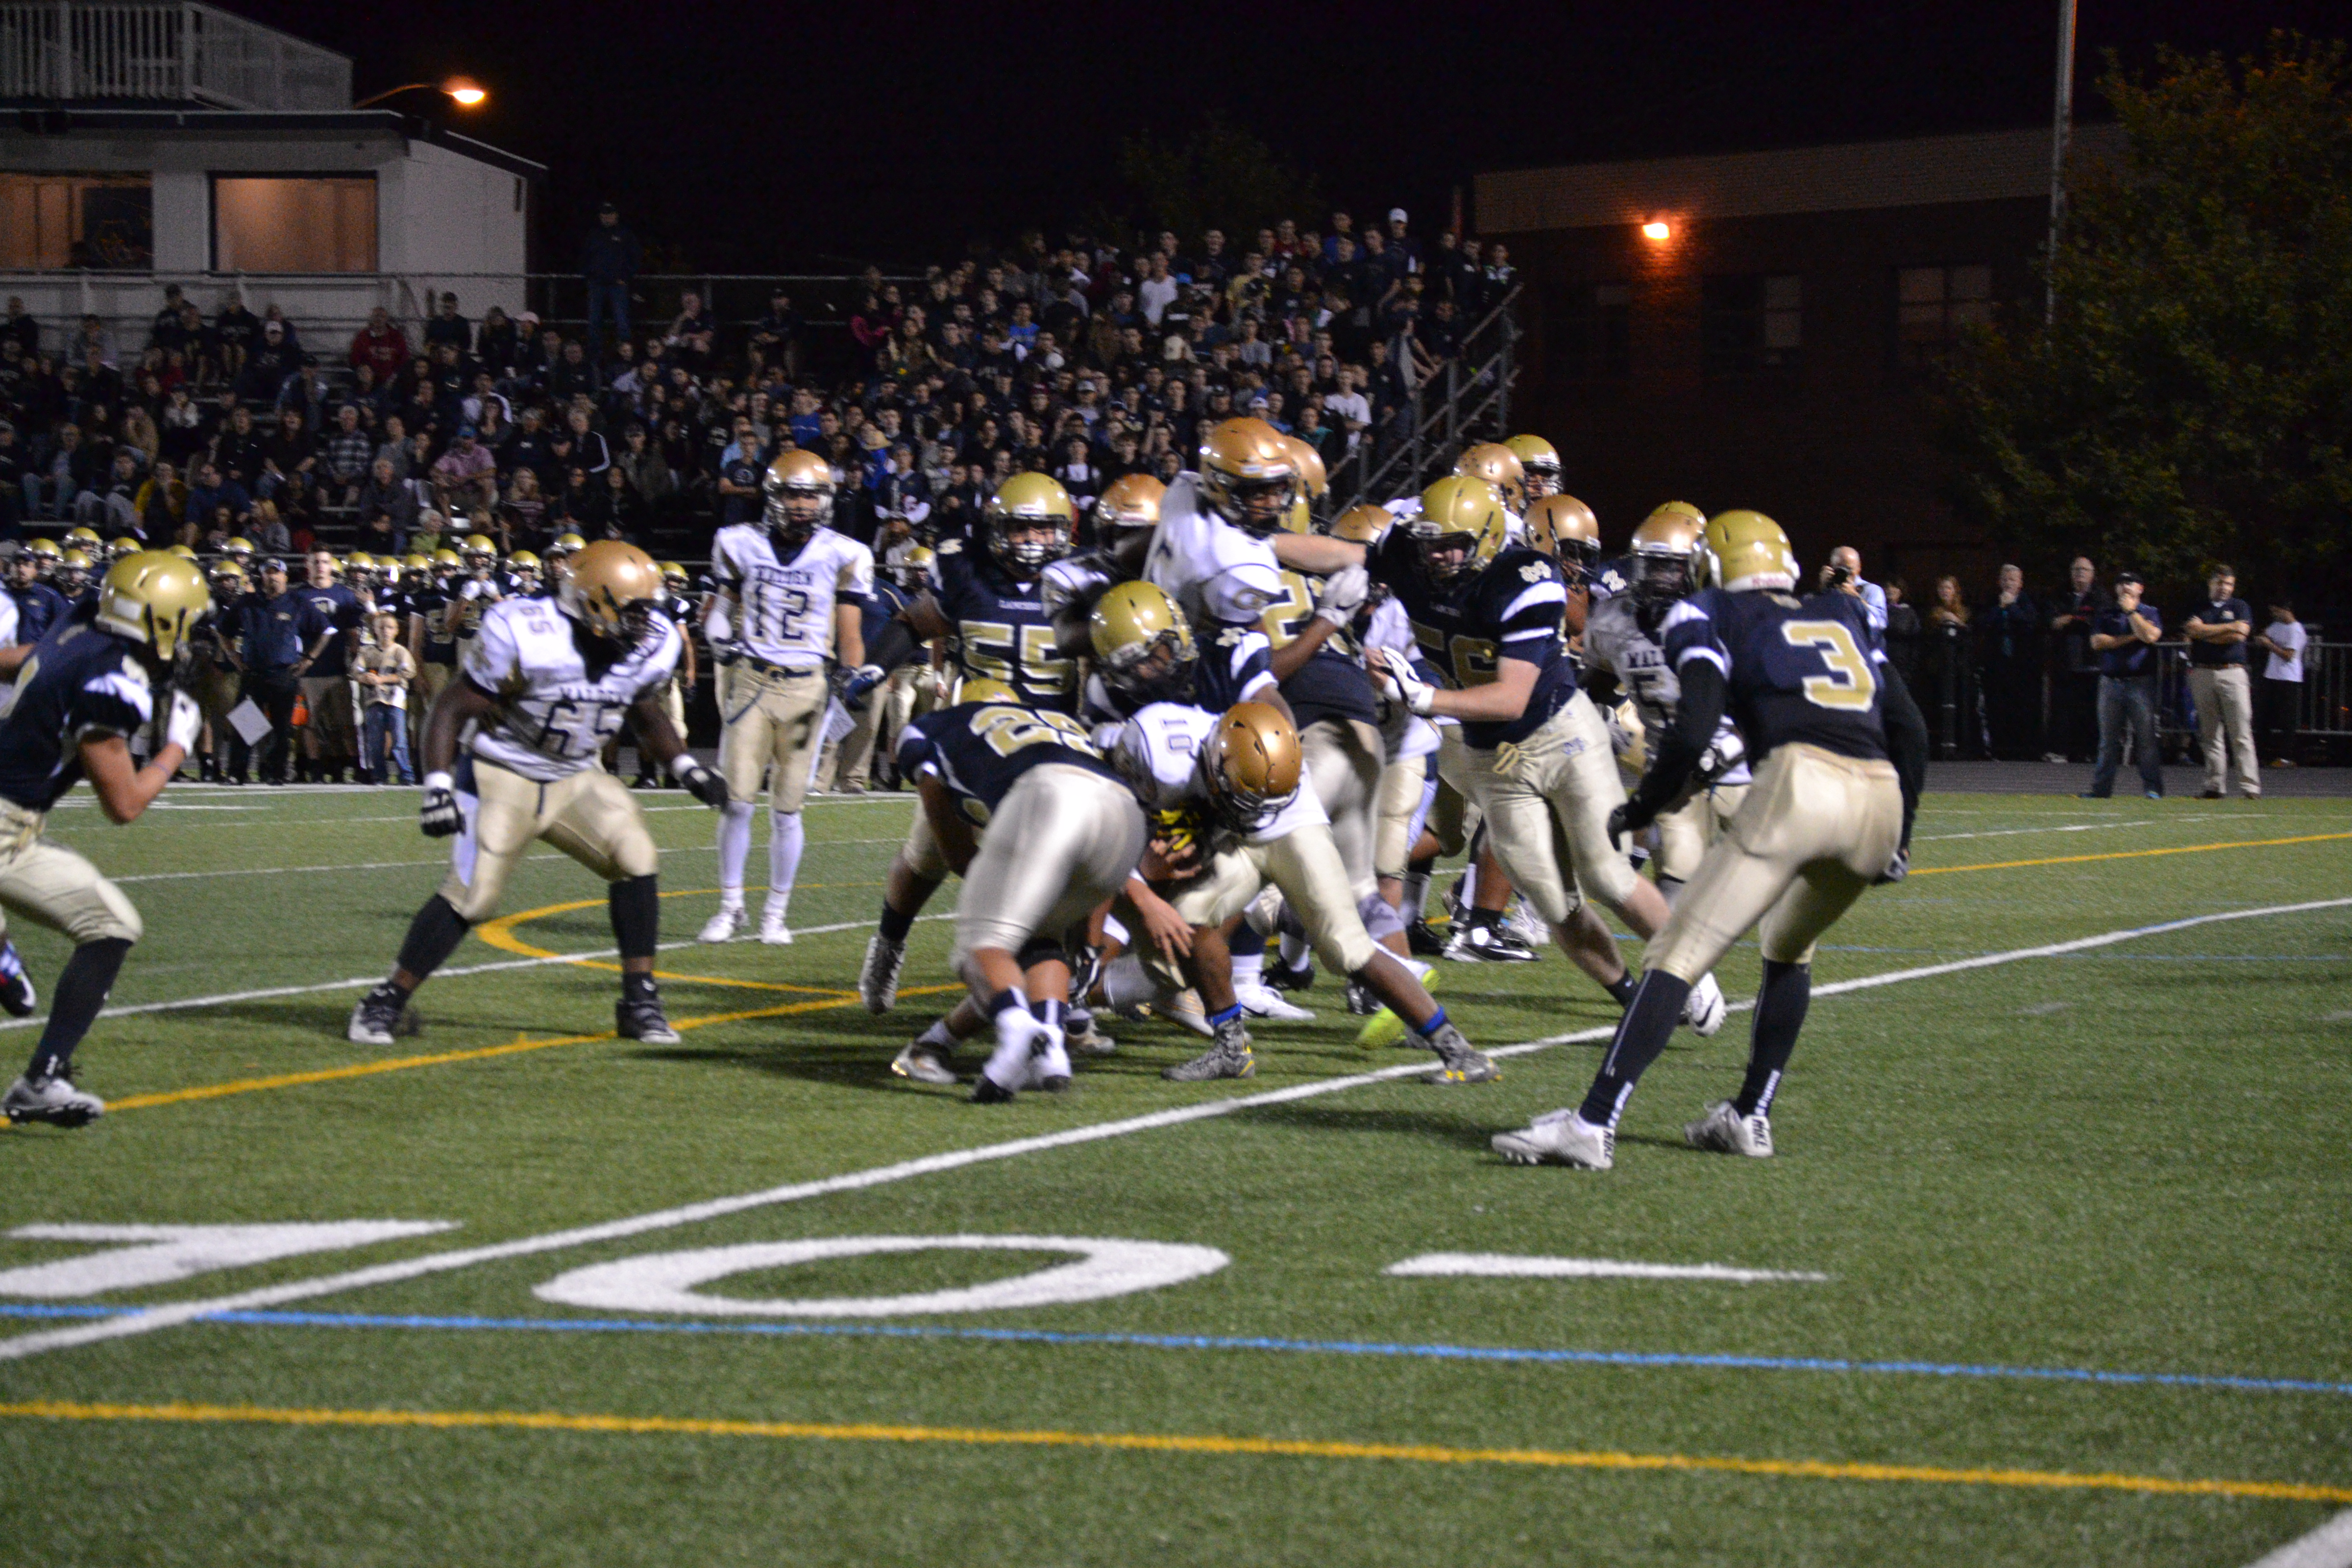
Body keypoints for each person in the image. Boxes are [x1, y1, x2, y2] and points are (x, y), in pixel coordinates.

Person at [1488, 511, 1926, 1170]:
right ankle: (1751, 1114)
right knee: (1789, 947)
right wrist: (1902, 838)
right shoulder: (1843, 611)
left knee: (1676, 951)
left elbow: (1695, 732)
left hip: (1786, 784)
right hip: (1879, 800)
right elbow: (1911, 729)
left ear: (1710, 566)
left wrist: (1643, 804)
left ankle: (1592, 1123)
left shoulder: (1707, 610)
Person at [347, 542, 727, 1050]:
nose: (645, 622)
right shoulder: (524, 630)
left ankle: (639, 1003)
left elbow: (643, 707)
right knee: (474, 895)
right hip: (502, 771)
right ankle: (385, 1000)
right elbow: (452, 706)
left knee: (636, 856)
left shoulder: (650, 642)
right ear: (593, 601)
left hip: (575, 773)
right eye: (632, 610)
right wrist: (437, 786)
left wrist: (685, 766)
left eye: (647, 609)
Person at [1, 553, 209, 1126]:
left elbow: (26, 660)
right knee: (112, 925)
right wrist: (177, 746)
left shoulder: (80, 620)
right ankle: (42, 1079)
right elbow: (124, 804)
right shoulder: (113, 680)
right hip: (4, 830)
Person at [890, 683, 1147, 1100]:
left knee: (983, 943)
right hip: (1124, 815)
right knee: (1046, 939)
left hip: (1050, 800)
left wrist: (994, 912)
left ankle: (1016, 1033)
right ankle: (1049, 1051)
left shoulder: (931, 730)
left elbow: (957, 855)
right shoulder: (1052, 722)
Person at [699, 450, 875, 945]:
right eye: (794, 494)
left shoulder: (845, 553)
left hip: (806, 687)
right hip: (751, 682)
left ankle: (775, 914)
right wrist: (718, 635)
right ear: (774, 497)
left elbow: (851, 632)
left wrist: (851, 677)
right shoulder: (738, 543)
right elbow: (720, 608)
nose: (802, 505)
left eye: (812, 495)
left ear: (826, 500)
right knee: (736, 802)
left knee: (787, 808)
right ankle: (731, 907)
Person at [2082, 570, 2164, 800]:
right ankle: (2101, 790)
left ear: (2141, 588)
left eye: (2131, 583)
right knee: (2107, 741)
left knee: (2146, 739)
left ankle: (2153, 789)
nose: (2126, 587)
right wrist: (2131, 637)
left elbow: (2150, 636)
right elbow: (2098, 642)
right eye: (2121, 583)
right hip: (2111, 683)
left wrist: (2130, 613)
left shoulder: (2150, 612)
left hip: (2141, 683)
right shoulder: (2106, 613)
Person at [2181, 566, 2259, 799]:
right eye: (2220, 583)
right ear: (2211, 583)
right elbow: (2191, 632)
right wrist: (2226, 629)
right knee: (2210, 733)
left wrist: (2205, 631)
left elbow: (2240, 634)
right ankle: (2214, 786)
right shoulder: (2197, 605)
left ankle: (2250, 787)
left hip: (2232, 673)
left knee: (2241, 731)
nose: (2224, 588)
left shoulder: (2240, 606)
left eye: (2229, 584)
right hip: (2203, 672)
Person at [227, 557, 305, 785]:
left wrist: (308, 660)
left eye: (277, 572)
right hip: (254, 673)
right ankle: (237, 772)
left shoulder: (295, 602)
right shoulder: (248, 602)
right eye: (268, 572)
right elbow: (223, 629)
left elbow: (325, 629)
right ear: (262, 576)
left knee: (281, 728)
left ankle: (276, 773)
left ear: (285, 576)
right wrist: (234, 657)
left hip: (283, 674)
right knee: (246, 725)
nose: (272, 576)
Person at [291, 550, 362, 782]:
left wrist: (354, 661)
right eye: (316, 562)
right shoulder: (298, 595)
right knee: (308, 724)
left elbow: (353, 634)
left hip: (337, 669)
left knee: (344, 724)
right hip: (307, 670)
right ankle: (315, 770)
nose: (321, 566)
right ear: (307, 564)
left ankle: (352, 768)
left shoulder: (344, 595)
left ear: (331, 565)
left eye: (324, 562)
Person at [1975, 564, 2041, 760]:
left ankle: (2021, 751)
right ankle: (1997, 749)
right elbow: (1982, 623)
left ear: (2020, 583)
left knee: (2021, 709)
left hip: (2021, 666)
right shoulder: (1991, 601)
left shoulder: (2027, 602)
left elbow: (2029, 624)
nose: (2008, 583)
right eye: (2005, 579)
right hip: (1996, 665)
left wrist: (2011, 606)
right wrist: (2000, 608)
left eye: (2012, 580)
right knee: (1996, 708)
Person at [2047, 556, 2102, 762]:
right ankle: (2061, 750)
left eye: (2084, 570)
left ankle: (2088, 751)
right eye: (2076, 569)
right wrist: (2075, 619)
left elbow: (2096, 622)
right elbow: (2052, 621)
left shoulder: (2099, 596)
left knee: (2089, 709)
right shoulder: (2061, 595)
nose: (2080, 573)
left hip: (2090, 661)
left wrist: (2070, 619)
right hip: (2065, 660)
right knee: (2063, 708)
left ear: (2092, 574)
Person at [354, 610, 416, 786]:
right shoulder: (367, 652)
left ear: (396, 630)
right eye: (381, 628)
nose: (385, 631)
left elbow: (408, 672)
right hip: (375, 700)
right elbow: (356, 671)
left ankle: (406, 774)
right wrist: (364, 677)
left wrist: (382, 679)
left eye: (390, 628)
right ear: (374, 630)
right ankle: (380, 775)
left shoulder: (400, 651)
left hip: (396, 701)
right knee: (376, 740)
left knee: (399, 740)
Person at [2251, 601, 2307, 768]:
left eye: (2276, 611)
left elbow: (2289, 655)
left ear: (2286, 610)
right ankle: (2263, 754)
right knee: (2263, 717)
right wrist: (2264, 639)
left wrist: (2269, 645)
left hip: (2289, 679)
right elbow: (2265, 634)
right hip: (2272, 676)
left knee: (2287, 721)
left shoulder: (2296, 630)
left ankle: (2286, 757)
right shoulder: (2276, 625)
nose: (2274, 615)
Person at [581, 202, 642, 353]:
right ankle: (595, 354)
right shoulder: (594, 234)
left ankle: (625, 354)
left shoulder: (625, 234)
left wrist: (625, 276)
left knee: (622, 321)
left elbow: (636, 257)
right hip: (597, 283)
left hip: (618, 284)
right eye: (604, 215)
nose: (606, 218)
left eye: (609, 214)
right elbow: (584, 257)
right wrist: (589, 274)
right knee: (594, 321)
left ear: (616, 215)